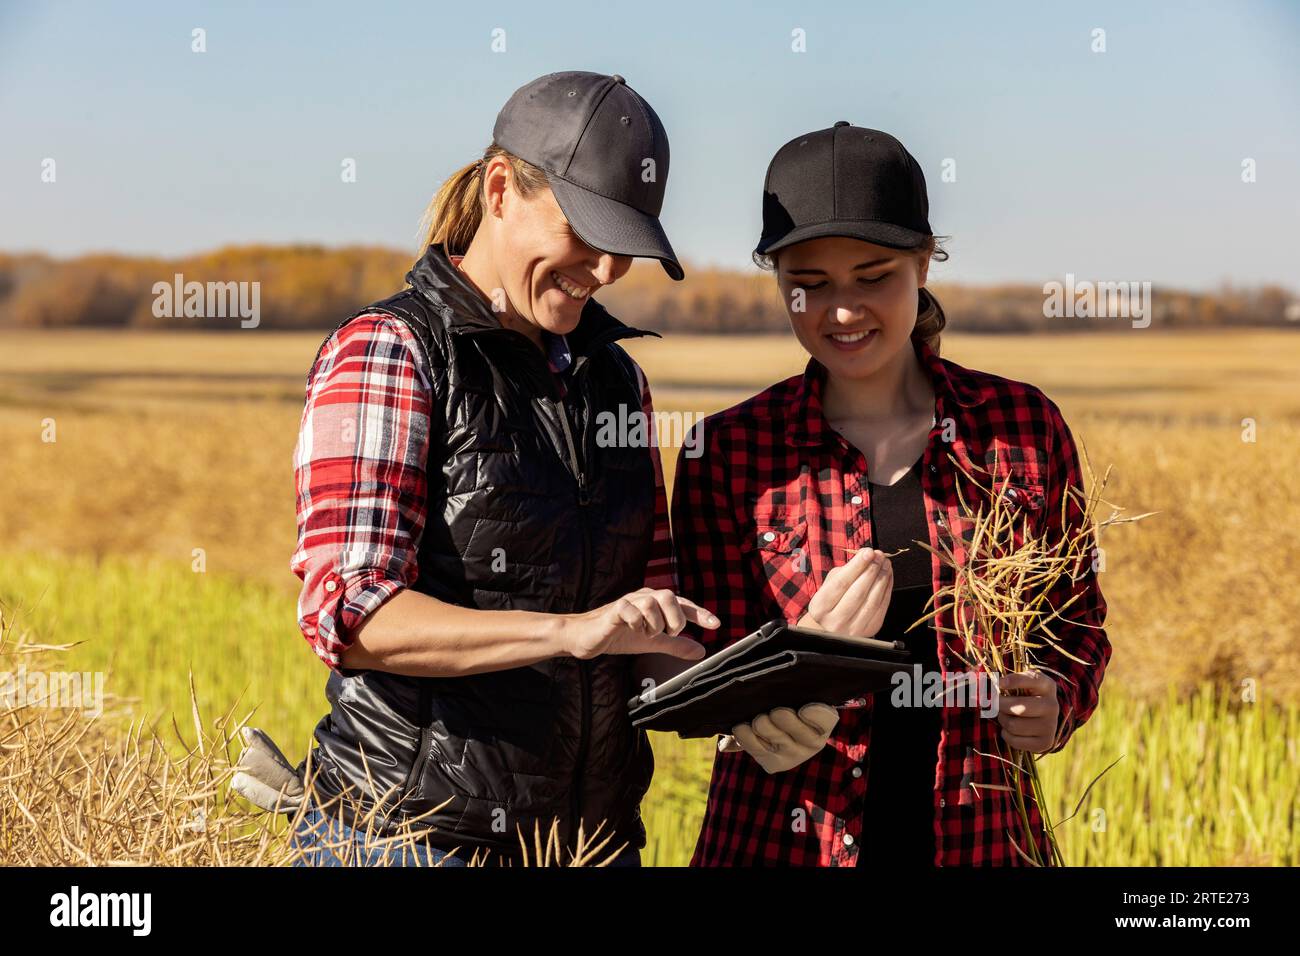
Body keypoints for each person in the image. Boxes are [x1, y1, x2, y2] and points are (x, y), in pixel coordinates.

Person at [280, 71, 716, 867]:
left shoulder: (618, 381)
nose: (609, 270)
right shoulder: (390, 353)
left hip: (591, 845)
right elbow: (351, 615)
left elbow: (645, 624)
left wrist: (759, 686)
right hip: (409, 843)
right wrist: (569, 633)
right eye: (585, 233)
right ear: (501, 188)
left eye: (626, 245)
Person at [668, 122, 1110, 866]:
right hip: (780, 842)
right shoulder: (726, 451)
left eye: (873, 277)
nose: (842, 312)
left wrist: (1057, 699)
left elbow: (1077, 621)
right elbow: (706, 660)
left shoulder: (1021, 429)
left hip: (982, 842)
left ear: (924, 264)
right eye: (808, 285)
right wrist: (781, 685)